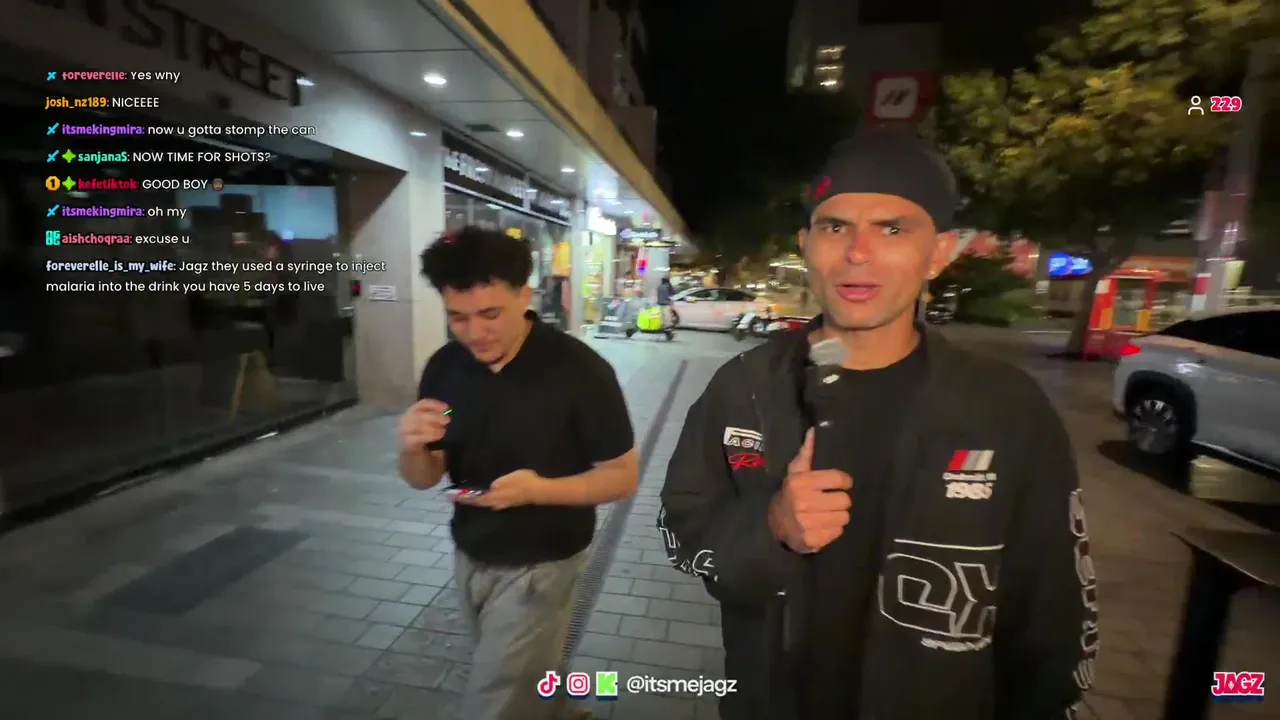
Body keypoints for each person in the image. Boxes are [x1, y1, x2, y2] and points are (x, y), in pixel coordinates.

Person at [656, 130, 1098, 720]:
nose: (858, 252)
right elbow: (682, 529)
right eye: (835, 226)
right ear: (806, 245)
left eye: (892, 229)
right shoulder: (745, 389)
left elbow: (1055, 615)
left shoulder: (1005, 409)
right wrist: (770, 530)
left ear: (939, 253)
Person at [399, 226, 639, 720]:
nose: (474, 333)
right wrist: (412, 448)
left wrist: (537, 491)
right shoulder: (445, 368)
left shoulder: (581, 372)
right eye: (457, 318)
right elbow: (425, 475)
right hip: (470, 551)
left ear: (524, 297)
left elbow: (621, 476)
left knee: (496, 698)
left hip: (542, 563)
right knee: (523, 677)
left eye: (490, 314)